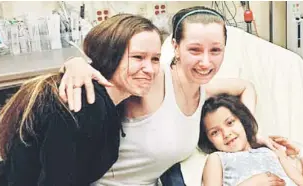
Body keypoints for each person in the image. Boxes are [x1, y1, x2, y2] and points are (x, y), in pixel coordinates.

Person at [58, 6, 279, 186]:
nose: (205, 62)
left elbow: (245, 87)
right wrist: (75, 64)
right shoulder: (150, 79)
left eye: (215, 50)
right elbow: (106, 67)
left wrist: (251, 134)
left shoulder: (204, 89)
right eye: (194, 50)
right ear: (175, 46)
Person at [0, 14, 162, 185]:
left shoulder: (107, 99)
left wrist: (74, 62)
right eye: (138, 57)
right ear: (111, 56)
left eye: (155, 59)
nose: (149, 69)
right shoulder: (85, 104)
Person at [199, 93, 303, 186]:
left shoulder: (271, 153)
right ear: (209, 140)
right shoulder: (217, 158)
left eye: (230, 123)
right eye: (215, 132)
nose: (226, 134)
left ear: (242, 120)